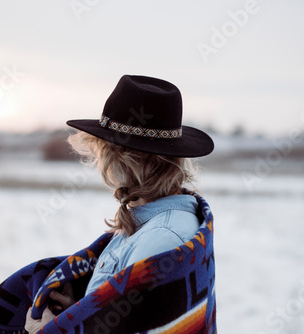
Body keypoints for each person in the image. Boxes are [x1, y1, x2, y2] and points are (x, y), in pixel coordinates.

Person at [24, 74, 214, 333]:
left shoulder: (161, 238)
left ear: (122, 158)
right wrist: (81, 312)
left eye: (101, 150)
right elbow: (129, 317)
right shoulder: (150, 221)